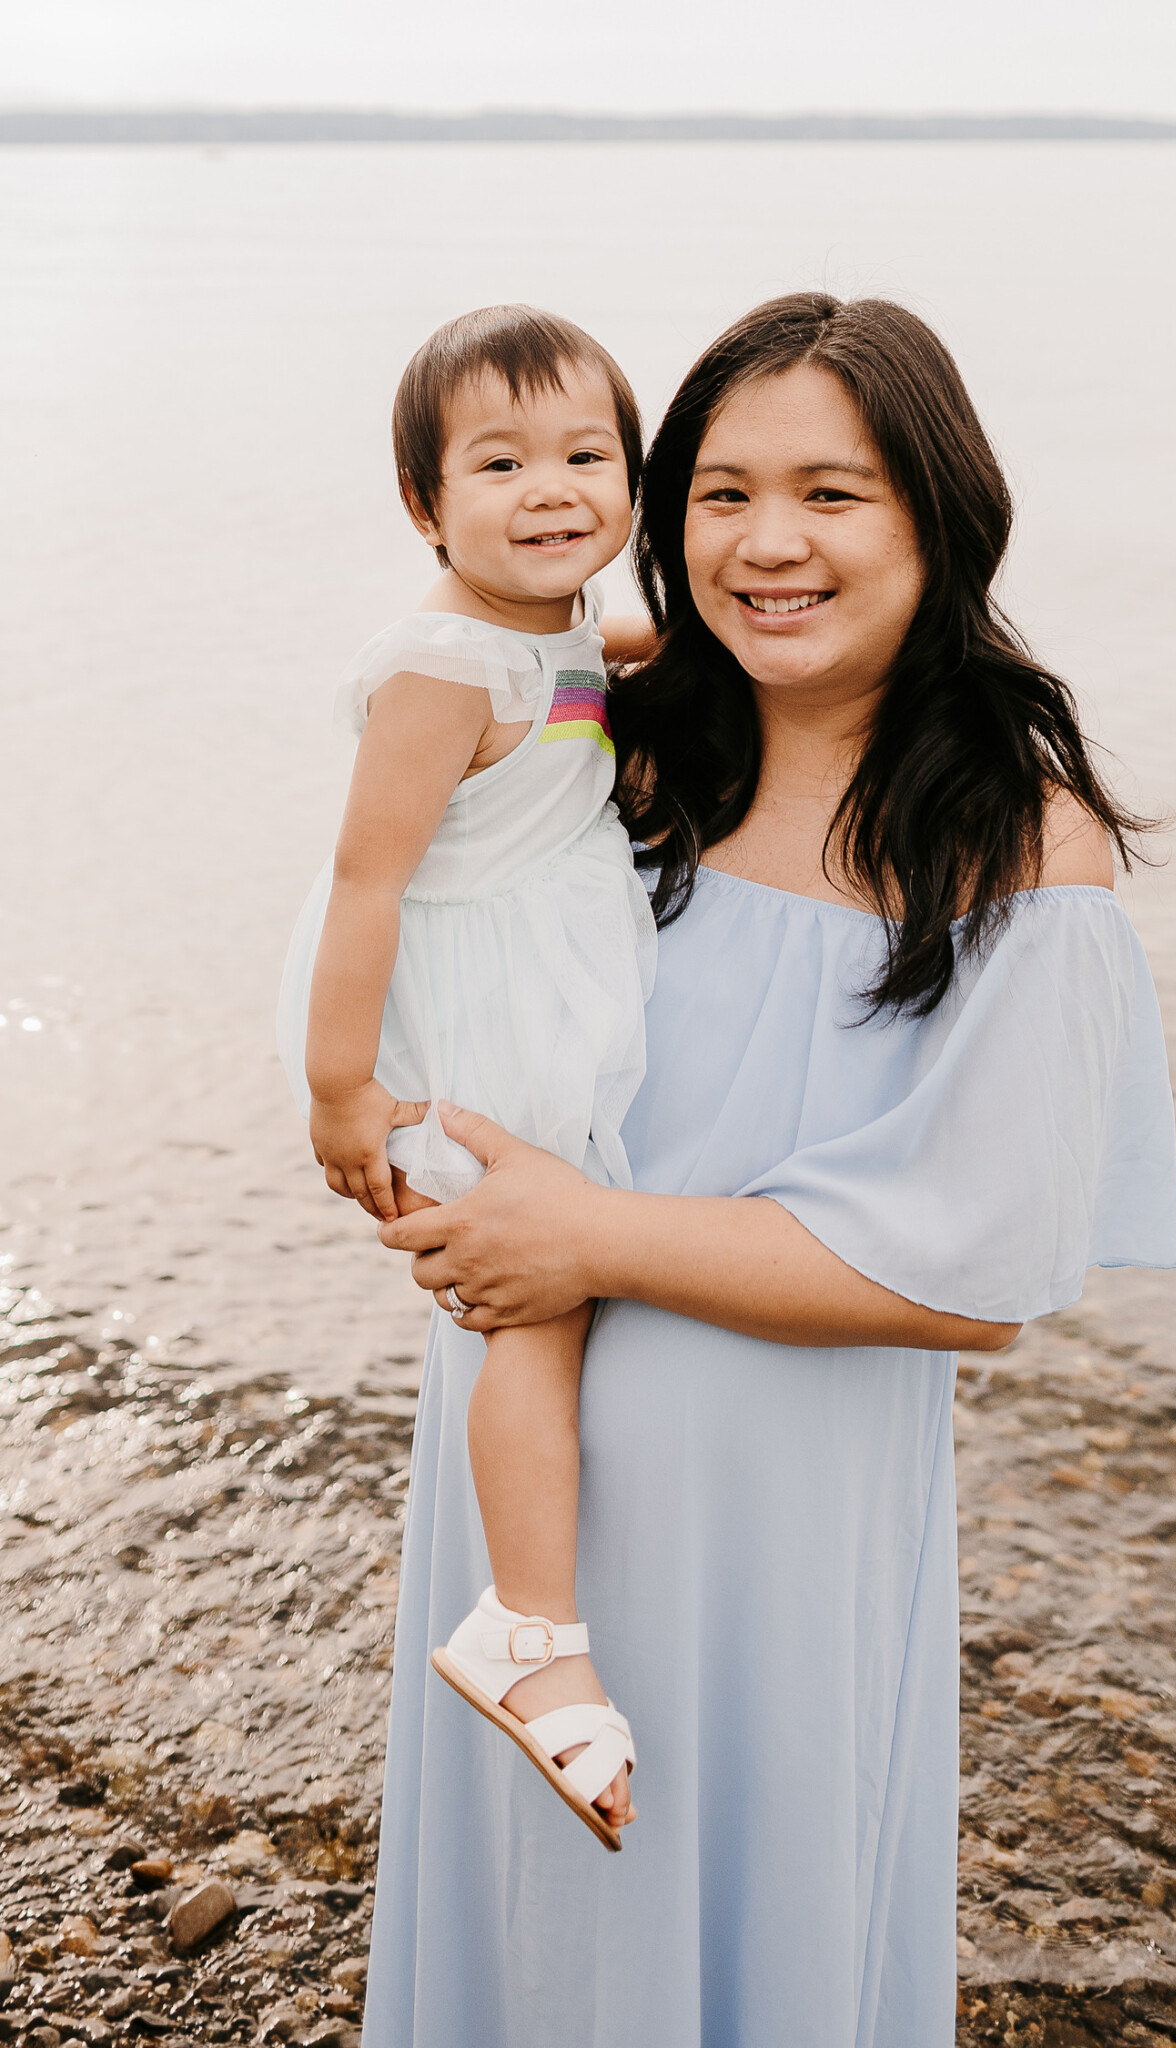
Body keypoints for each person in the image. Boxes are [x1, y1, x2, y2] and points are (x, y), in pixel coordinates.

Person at [363, 292, 1176, 2047]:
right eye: (722, 493)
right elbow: (420, 914)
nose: (770, 543)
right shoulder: (628, 747)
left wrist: (579, 1229)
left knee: (742, 1924)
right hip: (527, 1490)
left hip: (783, 1523)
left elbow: (969, 1282)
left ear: (937, 514)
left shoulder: (1019, 845)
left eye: (833, 492)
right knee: (518, 1930)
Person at [277, 305, 659, 1847]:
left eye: (586, 454)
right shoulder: (440, 664)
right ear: (426, 508)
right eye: (499, 463)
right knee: (540, 1307)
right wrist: (337, 1092)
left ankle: (538, 1604)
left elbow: (592, 666)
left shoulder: (553, 619)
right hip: (468, 1024)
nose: (551, 487)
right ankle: (531, 1625)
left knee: (566, 1292)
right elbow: (365, 880)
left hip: (546, 988)